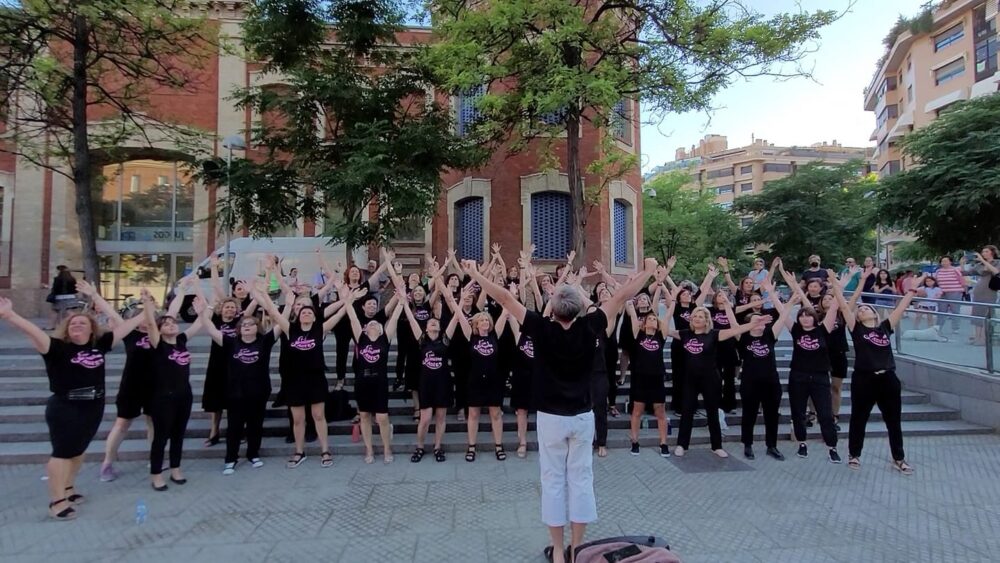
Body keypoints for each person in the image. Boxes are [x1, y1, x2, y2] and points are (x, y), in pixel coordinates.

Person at [465, 256, 655, 563]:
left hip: (551, 417)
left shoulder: (541, 327)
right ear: (580, 307)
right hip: (582, 416)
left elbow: (503, 296)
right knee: (580, 479)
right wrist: (647, 271)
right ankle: (577, 548)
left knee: (552, 479)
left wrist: (473, 273)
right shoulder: (592, 325)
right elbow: (621, 294)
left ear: (552, 309)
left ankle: (557, 548)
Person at [0, 290, 142, 520]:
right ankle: (57, 502)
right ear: (66, 328)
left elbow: (126, 328)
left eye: (82, 323)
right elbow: (33, 331)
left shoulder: (100, 344)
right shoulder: (55, 347)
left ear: (91, 328)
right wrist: (10, 316)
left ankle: (69, 488)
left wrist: (146, 310)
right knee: (62, 453)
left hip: (93, 406)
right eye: (73, 323)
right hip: (66, 407)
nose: (77, 325)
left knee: (78, 451)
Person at [831, 268, 922, 474]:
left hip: (888, 378)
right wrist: (838, 285)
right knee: (859, 417)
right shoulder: (856, 329)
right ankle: (854, 454)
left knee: (893, 420)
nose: (862, 310)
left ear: (874, 313)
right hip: (864, 378)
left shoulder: (884, 327)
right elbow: (844, 307)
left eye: (866, 308)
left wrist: (912, 289)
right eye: (860, 309)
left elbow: (901, 308)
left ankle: (899, 458)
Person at [100, 278, 189, 481]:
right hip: (132, 385)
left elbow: (172, 312)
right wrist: (96, 295)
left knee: (153, 423)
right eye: (141, 316)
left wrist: (182, 291)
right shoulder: (130, 334)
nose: (145, 319)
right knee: (122, 423)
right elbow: (111, 313)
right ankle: (107, 461)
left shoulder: (160, 334)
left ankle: (154, 459)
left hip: (157, 386)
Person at [256, 264, 341, 469]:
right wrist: (264, 293)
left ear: (314, 315)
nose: (305, 314)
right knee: (298, 419)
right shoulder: (290, 330)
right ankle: (299, 451)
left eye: (309, 312)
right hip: (294, 380)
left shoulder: (319, 330)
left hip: (315, 379)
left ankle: (325, 450)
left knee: (319, 416)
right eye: (302, 312)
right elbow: (274, 314)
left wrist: (345, 298)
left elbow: (340, 312)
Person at [671, 281, 763, 459]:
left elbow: (736, 329)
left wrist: (753, 324)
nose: (697, 319)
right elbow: (664, 329)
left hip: (710, 378)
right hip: (690, 379)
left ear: (707, 320)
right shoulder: (684, 334)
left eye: (701, 317)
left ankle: (717, 445)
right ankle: (682, 444)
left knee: (712, 411)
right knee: (687, 411)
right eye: (695, 316)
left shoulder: (714, 334)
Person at [203, 306, 283, 475]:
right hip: (235, 393)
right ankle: (231, 459)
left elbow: (281, 323)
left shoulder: (265, 341)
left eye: (251, 324)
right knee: (234, 427)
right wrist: (205, 310)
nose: (247, 326)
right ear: (239, 329)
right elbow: (210, 328)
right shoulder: (231, 342)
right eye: (244, 324)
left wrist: (284, 303)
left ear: (257, 327)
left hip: (258, 391)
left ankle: (253, 454)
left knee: (255, 425)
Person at [142, 289, 207, 491]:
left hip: (183, 395)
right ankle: (156, 474)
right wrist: (147, 305)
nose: (171, 325)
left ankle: (176, 469)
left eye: (173, 322)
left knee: (179, 434)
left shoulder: (181, 341)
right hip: (162, 397)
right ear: (160, 330)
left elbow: (199, 323)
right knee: (161, 437)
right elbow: (152, 324)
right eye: (167, 324)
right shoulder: (157, 344)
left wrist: (202, 310)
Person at [779, 269, 842, 463]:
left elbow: (834, 307)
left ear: (814, 317)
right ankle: (802, 444)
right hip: (798, 376)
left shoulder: (824, 330)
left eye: (808, 316)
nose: (805, 318)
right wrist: (781, 290)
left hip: (820, 376)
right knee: (798, 412)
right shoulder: (796, 330)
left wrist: (836, 283)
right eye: (802, 316)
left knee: (825, 413)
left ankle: (832, 447)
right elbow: (782, 310)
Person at [344, 283, 404, 464]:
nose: (373, 323)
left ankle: (387, 448)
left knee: (382, 417)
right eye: (370, 323)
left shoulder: (385, 339)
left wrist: (401, 299)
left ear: (380, 328)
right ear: (365, 328)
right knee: (364, 415)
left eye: (376, 323)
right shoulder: (360, 338)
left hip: (379, 382)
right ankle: (369, 449)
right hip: (362, 381)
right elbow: (352, 315)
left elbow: (393, 318)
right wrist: (350, 299)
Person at [406, 278, 461, 463]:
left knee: (440, 417)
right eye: (430, 323)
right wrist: (404, 303)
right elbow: (412, 320)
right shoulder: (422, 340)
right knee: (425, 419)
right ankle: (420, 447)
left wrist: (455, 301)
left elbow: (456, 317)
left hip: (443, 383)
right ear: (426, 327)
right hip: (426, 384)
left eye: (435, 323)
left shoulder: (444, 340)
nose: (433, 324)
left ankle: (438, 447)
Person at [736, 279, 785, 461]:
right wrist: (727, 306)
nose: (760, 322)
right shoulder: (743, 338)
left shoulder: (769, 335)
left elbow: (784, 313)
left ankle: (771, 445)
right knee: (749, 414)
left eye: (762, 320)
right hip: (750, 381)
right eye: (756, 320)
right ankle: (747, 444)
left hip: (771, 381)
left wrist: (772, 294)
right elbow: (734, 322)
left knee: (772, 414)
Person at [456, 303, 508, 462]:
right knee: (473, 414)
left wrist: (512, 294)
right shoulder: (471, 336)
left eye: (487, 319)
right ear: (476, 324)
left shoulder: (495, 335)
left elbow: (505, 312)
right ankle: (471, 446)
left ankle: (498, 446)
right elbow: (459, 315)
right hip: (475, 381)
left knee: (496, 414)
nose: (485, 321)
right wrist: (458, 300)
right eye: (482, 320)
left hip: (493, 381)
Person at [624, 294, 671, 458]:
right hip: (641, 377)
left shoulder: (661, 336)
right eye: (649, 319)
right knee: (637, 411)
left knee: (660, 412)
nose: (652, 320)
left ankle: (663, 443)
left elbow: (669, 314)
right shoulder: (638, 334)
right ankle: (635, 441)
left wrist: (670, 300)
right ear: (643, 323)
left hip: (657, 377)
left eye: (654, 318)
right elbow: (630, 308)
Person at [962, 246, 1000, 345]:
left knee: (986, 313)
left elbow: (996, 271)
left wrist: (983, 260)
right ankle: (977, 337)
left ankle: (984, 338)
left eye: (986, 251)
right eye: (983, 252)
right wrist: (962, 264)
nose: (984, 253)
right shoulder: (979, 264)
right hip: (979, 289)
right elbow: (966, 273)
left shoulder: (997, 262)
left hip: (990, 290)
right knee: (977, 313)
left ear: (992, 252)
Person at [933, 256, 967, 335]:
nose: (944, 263)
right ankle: (938, 327)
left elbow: (961, 280)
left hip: (955, 291)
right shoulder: (938, 271)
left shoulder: (955, 270)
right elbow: (935, 281)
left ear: (950, 262)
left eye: (945, 261)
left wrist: (964, 290)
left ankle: (955, 328)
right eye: (942, 261)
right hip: (942, 292)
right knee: (941, 311)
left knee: (955, 310)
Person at [48, 265, 78, 329]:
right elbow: (75, 289)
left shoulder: (57, 279)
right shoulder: (72, 279)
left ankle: (52, 326)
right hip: (71, 297)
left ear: (59, 271)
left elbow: (55, 288)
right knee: (69, 311)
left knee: (55, 311)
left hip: (59, 297)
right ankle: (75, 323)